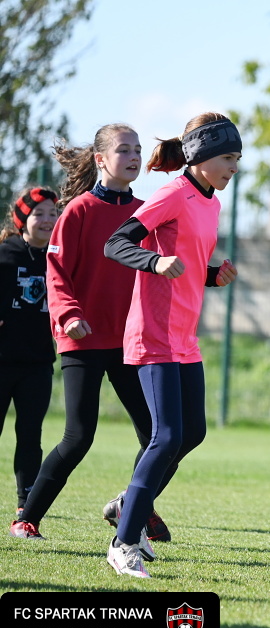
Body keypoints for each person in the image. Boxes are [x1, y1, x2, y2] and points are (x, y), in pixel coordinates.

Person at [10, 124, 171, 543]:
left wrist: (210, 271)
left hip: (130, 340)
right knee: (78, 437)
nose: (134, 157)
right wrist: (68, 315)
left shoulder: (144, 212)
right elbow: (56, 272)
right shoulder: (79, 210)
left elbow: (163, 264)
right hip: (82, 338)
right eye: (124, 150)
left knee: (161, 436)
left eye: (138, 150)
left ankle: (132, 506)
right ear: (101, 159)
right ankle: (27, 518)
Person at [103, 112, 240, 578]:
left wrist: (211, 276)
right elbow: (116, 243)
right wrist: (154, 262)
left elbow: (186, 264)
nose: (233, 167)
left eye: (237, 158)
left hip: (185, 336)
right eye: (227, 157)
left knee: (192, 433)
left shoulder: (211, 203)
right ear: (201, 156)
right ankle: (124, 543)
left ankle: (129, 504)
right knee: (165, 438)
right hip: (154, 332)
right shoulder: (173, 193)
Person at [0, 187, 59, 520]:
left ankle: (26, 502)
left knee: (30, 435)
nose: (48, 220)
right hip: (2, 360)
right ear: (22, 219)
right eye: (39, 213)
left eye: (53, 213)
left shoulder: (59, 256)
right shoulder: (5, 253)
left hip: (38, 363)